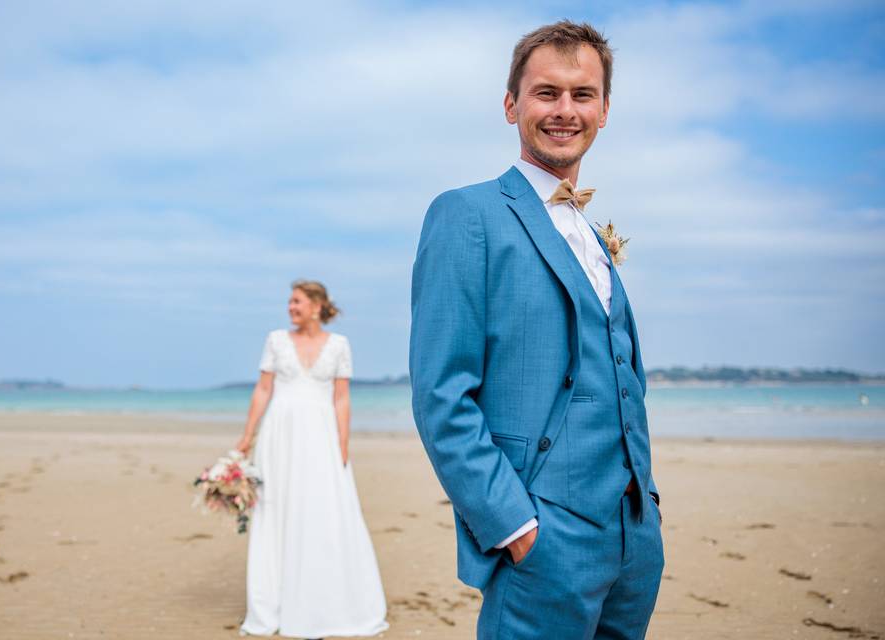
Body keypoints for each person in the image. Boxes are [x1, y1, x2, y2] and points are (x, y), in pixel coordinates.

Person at [409, 21, 664, 639]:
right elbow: (442, 394)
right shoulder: (467, 214)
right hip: (543, 540)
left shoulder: (593, 236)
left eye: (582, 95)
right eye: (546, 92)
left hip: (634, 543)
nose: (564, 110)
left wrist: (647, 512)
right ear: (511, 105)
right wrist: (516, 527)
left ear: (605, 110)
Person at [235, 280, 388, 638]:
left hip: (321, 438)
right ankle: (274, 603)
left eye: (297, 301)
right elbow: (263, 389)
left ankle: (324, 600)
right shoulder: (275, 340)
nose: (291, 307)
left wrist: (343, 441)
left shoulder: (339, 345)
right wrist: (247, 436)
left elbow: (341, 398)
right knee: (277, 509)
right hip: (279, 436)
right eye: (289, 301)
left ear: (317, 305)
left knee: (323, 510)